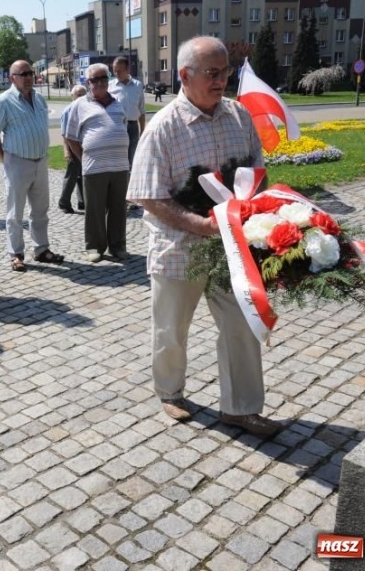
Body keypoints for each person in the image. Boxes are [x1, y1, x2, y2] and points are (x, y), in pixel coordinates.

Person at [126, 36, 282, 438]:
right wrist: (202, 226)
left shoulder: (239, 116)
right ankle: (170, 391)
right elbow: (147, 196)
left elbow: (256, 171)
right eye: (212, 73)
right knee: (171, 329)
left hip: (233, 249)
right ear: (184, 76)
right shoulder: (163, 128)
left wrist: (260, 218)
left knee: (241, 326)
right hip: (180, 248)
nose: (221, 81)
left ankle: (241, 408)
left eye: (225, 71)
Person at [0, 60, 65, 272]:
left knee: (40, 210)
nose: (29, 77)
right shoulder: (3, 102)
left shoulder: (39, 99)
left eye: (31, 72)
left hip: (40, 161)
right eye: (24, 73)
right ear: (12, 78)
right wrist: (5, 159)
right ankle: (16, 254)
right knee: (15, 212)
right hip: (17, 162)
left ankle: (41, 249)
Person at [64, 63, 130, 263]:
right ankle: (94, 246)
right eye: (95, 80)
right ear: (87, 82)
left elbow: (124, 127)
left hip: (120, 165)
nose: (100, 83)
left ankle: (118, 245)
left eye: (103, 78)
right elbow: (70, 135)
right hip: (94, 166)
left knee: (119, 207)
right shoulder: (79, 105)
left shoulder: (118, 103)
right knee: (94, 208)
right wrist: (83, 156)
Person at [109, 56, 146, 166]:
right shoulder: (110, 87)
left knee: (132, 157)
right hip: (116, 126)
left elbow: (141, 109)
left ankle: (130, 181)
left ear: (128, 69)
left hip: (133, 126)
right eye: (115, 70)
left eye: (119, 70)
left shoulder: (137, 85)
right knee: (118, 157)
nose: (116, 73)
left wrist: (142, 130)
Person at [58, 85, 87, 214]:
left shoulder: (87, 109)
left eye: (83, 94)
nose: (81, 97)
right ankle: (64, 202)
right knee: (72, 175)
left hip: (85, 146)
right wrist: (67, 150)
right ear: (72, 96)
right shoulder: (68, 111)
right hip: (73, 146)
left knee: (83, 174)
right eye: (78, 95)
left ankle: (82, 202)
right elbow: (64, 133)